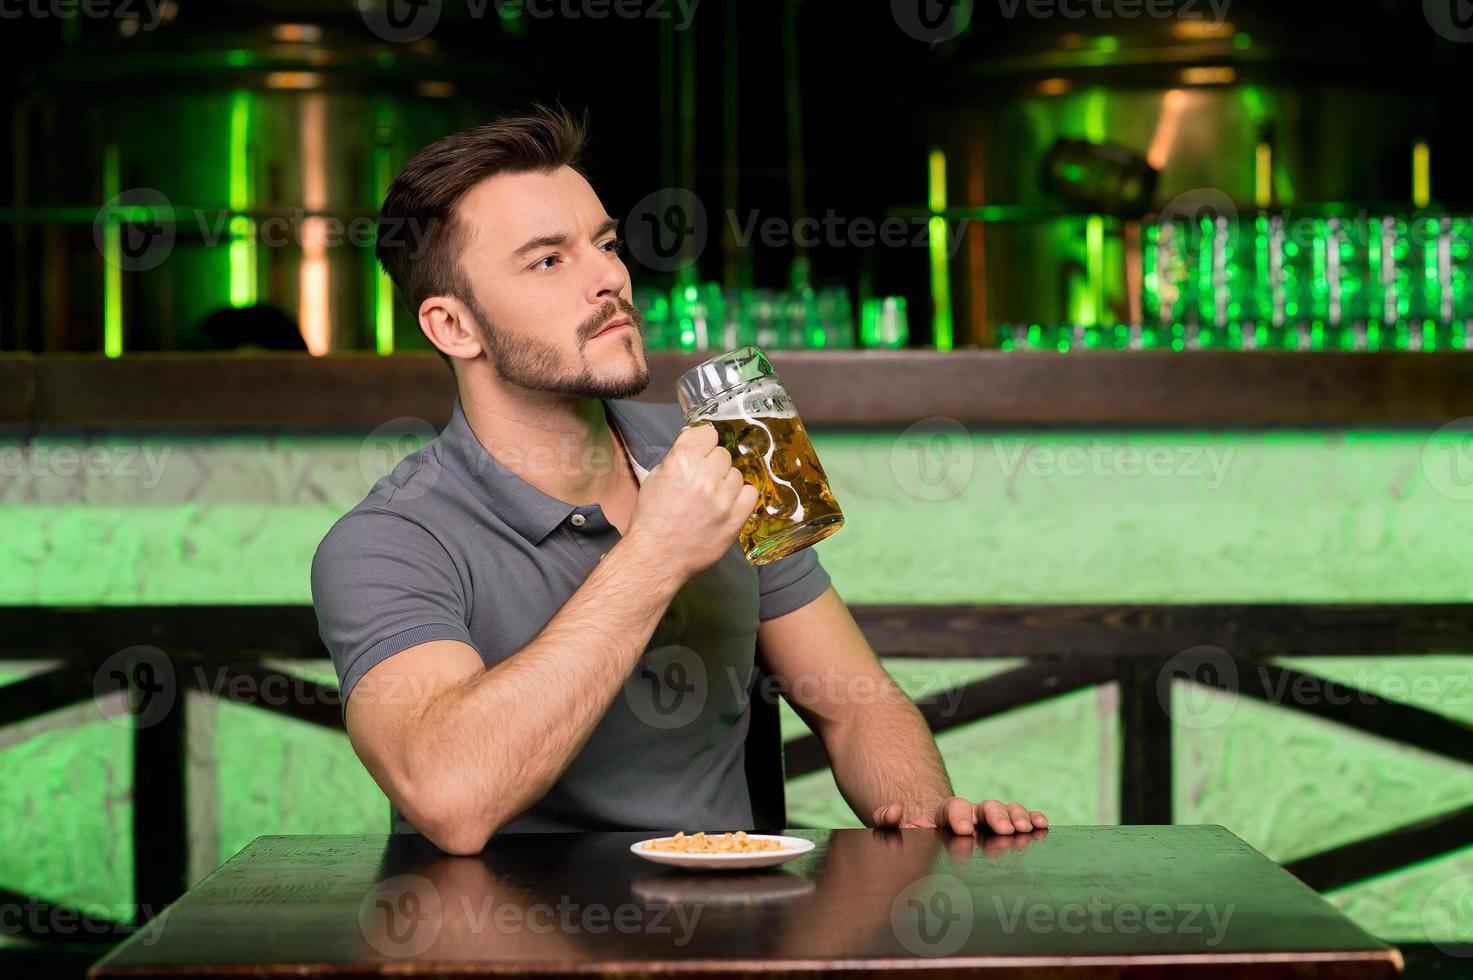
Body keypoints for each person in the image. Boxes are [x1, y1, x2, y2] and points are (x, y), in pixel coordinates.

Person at [310, 104, 1048, 855]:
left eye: (604, 243)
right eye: (548, 260)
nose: (609, 279)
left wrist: (925, 815)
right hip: (506, 942)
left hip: (734, 930)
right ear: (452, 327)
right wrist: (655, 552)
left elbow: (855, 708)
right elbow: (449, 798)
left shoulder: (722, 443)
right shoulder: (388, 541)